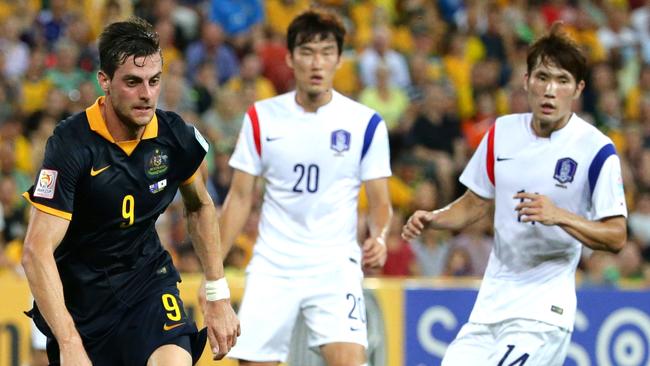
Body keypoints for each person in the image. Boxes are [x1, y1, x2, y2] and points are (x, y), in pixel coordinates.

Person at [403, 24, 628, 365]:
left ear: (579, 89)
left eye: (562, 80)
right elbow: (475, 204)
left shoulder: (596, 150)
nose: (550, 90)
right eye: (542, 77)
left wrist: (560, 215)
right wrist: (434, 217)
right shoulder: (502, 133)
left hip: (543, 313)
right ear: (526, 81)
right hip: (490, 306)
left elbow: (616, 235)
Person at [21, 17, 239, 366]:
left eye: (154, 82)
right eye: (133, 82)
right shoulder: (72, 144)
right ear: (104, 81)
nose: (147, 94)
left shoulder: (174, 137)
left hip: (147, 284)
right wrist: (69, 341)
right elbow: (36, 249)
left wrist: (217, 293)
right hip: (81, 302)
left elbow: (199, 206)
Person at [220, 9, 392, 366]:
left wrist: (380, 235)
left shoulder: (366, 124)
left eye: (326, 52)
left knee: (349, 361)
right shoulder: (261, 117)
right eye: (308, 51)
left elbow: (380, 202)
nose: (317, 62)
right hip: (273, 263)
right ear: (289, 57)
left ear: (339, 60)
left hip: (334, 264)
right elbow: (239, 197)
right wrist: (213, 272)